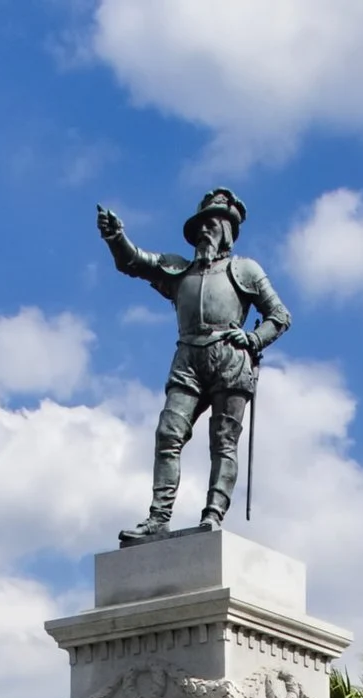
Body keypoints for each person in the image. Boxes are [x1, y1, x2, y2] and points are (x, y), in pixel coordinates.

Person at [97, 189, 292, 541]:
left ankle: (213, 514)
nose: (205, 230)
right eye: (202, 223)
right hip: (187, 357)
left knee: (223, 442)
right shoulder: (179, 269)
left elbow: (279, 315)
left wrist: (256, 338)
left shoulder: (245, 269)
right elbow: (135, 262)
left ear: (228, 230)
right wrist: (116, 237)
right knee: (168, 434)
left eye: (213, 223)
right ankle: (158, 518)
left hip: (230, 359)